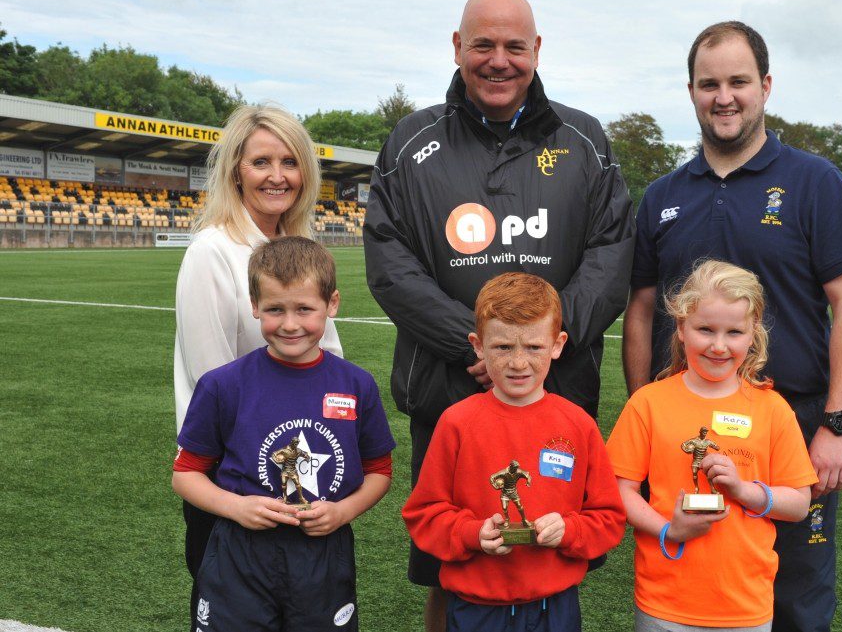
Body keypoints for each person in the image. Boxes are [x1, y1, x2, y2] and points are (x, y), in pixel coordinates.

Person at [364, 0, 634, 630]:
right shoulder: (410, 141)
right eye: (482, 44)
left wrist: (535, 345)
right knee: (447, 558)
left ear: (536, 50)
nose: (498, 60)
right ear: (458, 47)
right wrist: (478, 344)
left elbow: (612, 253)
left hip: (557, 396)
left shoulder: (584, 141)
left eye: (514, 46)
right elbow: (389, 260)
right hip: (449, 393)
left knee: (553, 548)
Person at [622, 21, 842, 632]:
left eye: (738, 81)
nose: (724, 96)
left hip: (793, 421)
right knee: (691, 579)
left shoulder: (815, 180)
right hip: (686, 424)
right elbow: (641, 310)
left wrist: (838, 423)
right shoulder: (662, 196)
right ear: (691, 92)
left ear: (765, 86)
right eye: (709, 84)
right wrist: (644, 412)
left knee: (797, 594)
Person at [173, 103, 344, 629]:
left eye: (290, 162)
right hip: (234, 481)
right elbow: (212, 381)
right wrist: (255, 476)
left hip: (297, 470)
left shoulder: (298, 247)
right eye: (261, 162)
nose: (277, 176)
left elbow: (329, 357)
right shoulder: (212, 250)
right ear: (235, 172)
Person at [172, 236, 395, 631]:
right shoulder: (223, 385)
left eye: (304, 309)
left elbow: (380, 471)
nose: (290, 324)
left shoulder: (356, 385)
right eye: (275, 309)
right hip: (239, 555)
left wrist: (342, 512)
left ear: (332, 304)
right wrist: (236, 507)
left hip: (323, 555)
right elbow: (185, 474)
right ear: (254, 307)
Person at [402, 272, 625, 632]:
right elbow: (424, 514)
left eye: (534, 348)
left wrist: (569, 530)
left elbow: (609, 517)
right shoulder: (456, 423)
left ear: (557, 344)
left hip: (555, 606)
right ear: (478, 345)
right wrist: (472, 534)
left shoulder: (578, 424)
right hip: (476, 607)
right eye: (503, 347)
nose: (518, 363)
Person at [609, 260, 818, 631]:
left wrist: (744, 491)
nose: (719, 346)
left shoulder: (773, 410)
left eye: (734, 332)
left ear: (753, 332)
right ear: (681, 328)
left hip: (746, 605)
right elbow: (619, 490)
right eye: (705, 329)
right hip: (665, 602)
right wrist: (668, 530)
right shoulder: (647, 403)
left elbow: (799, 503)